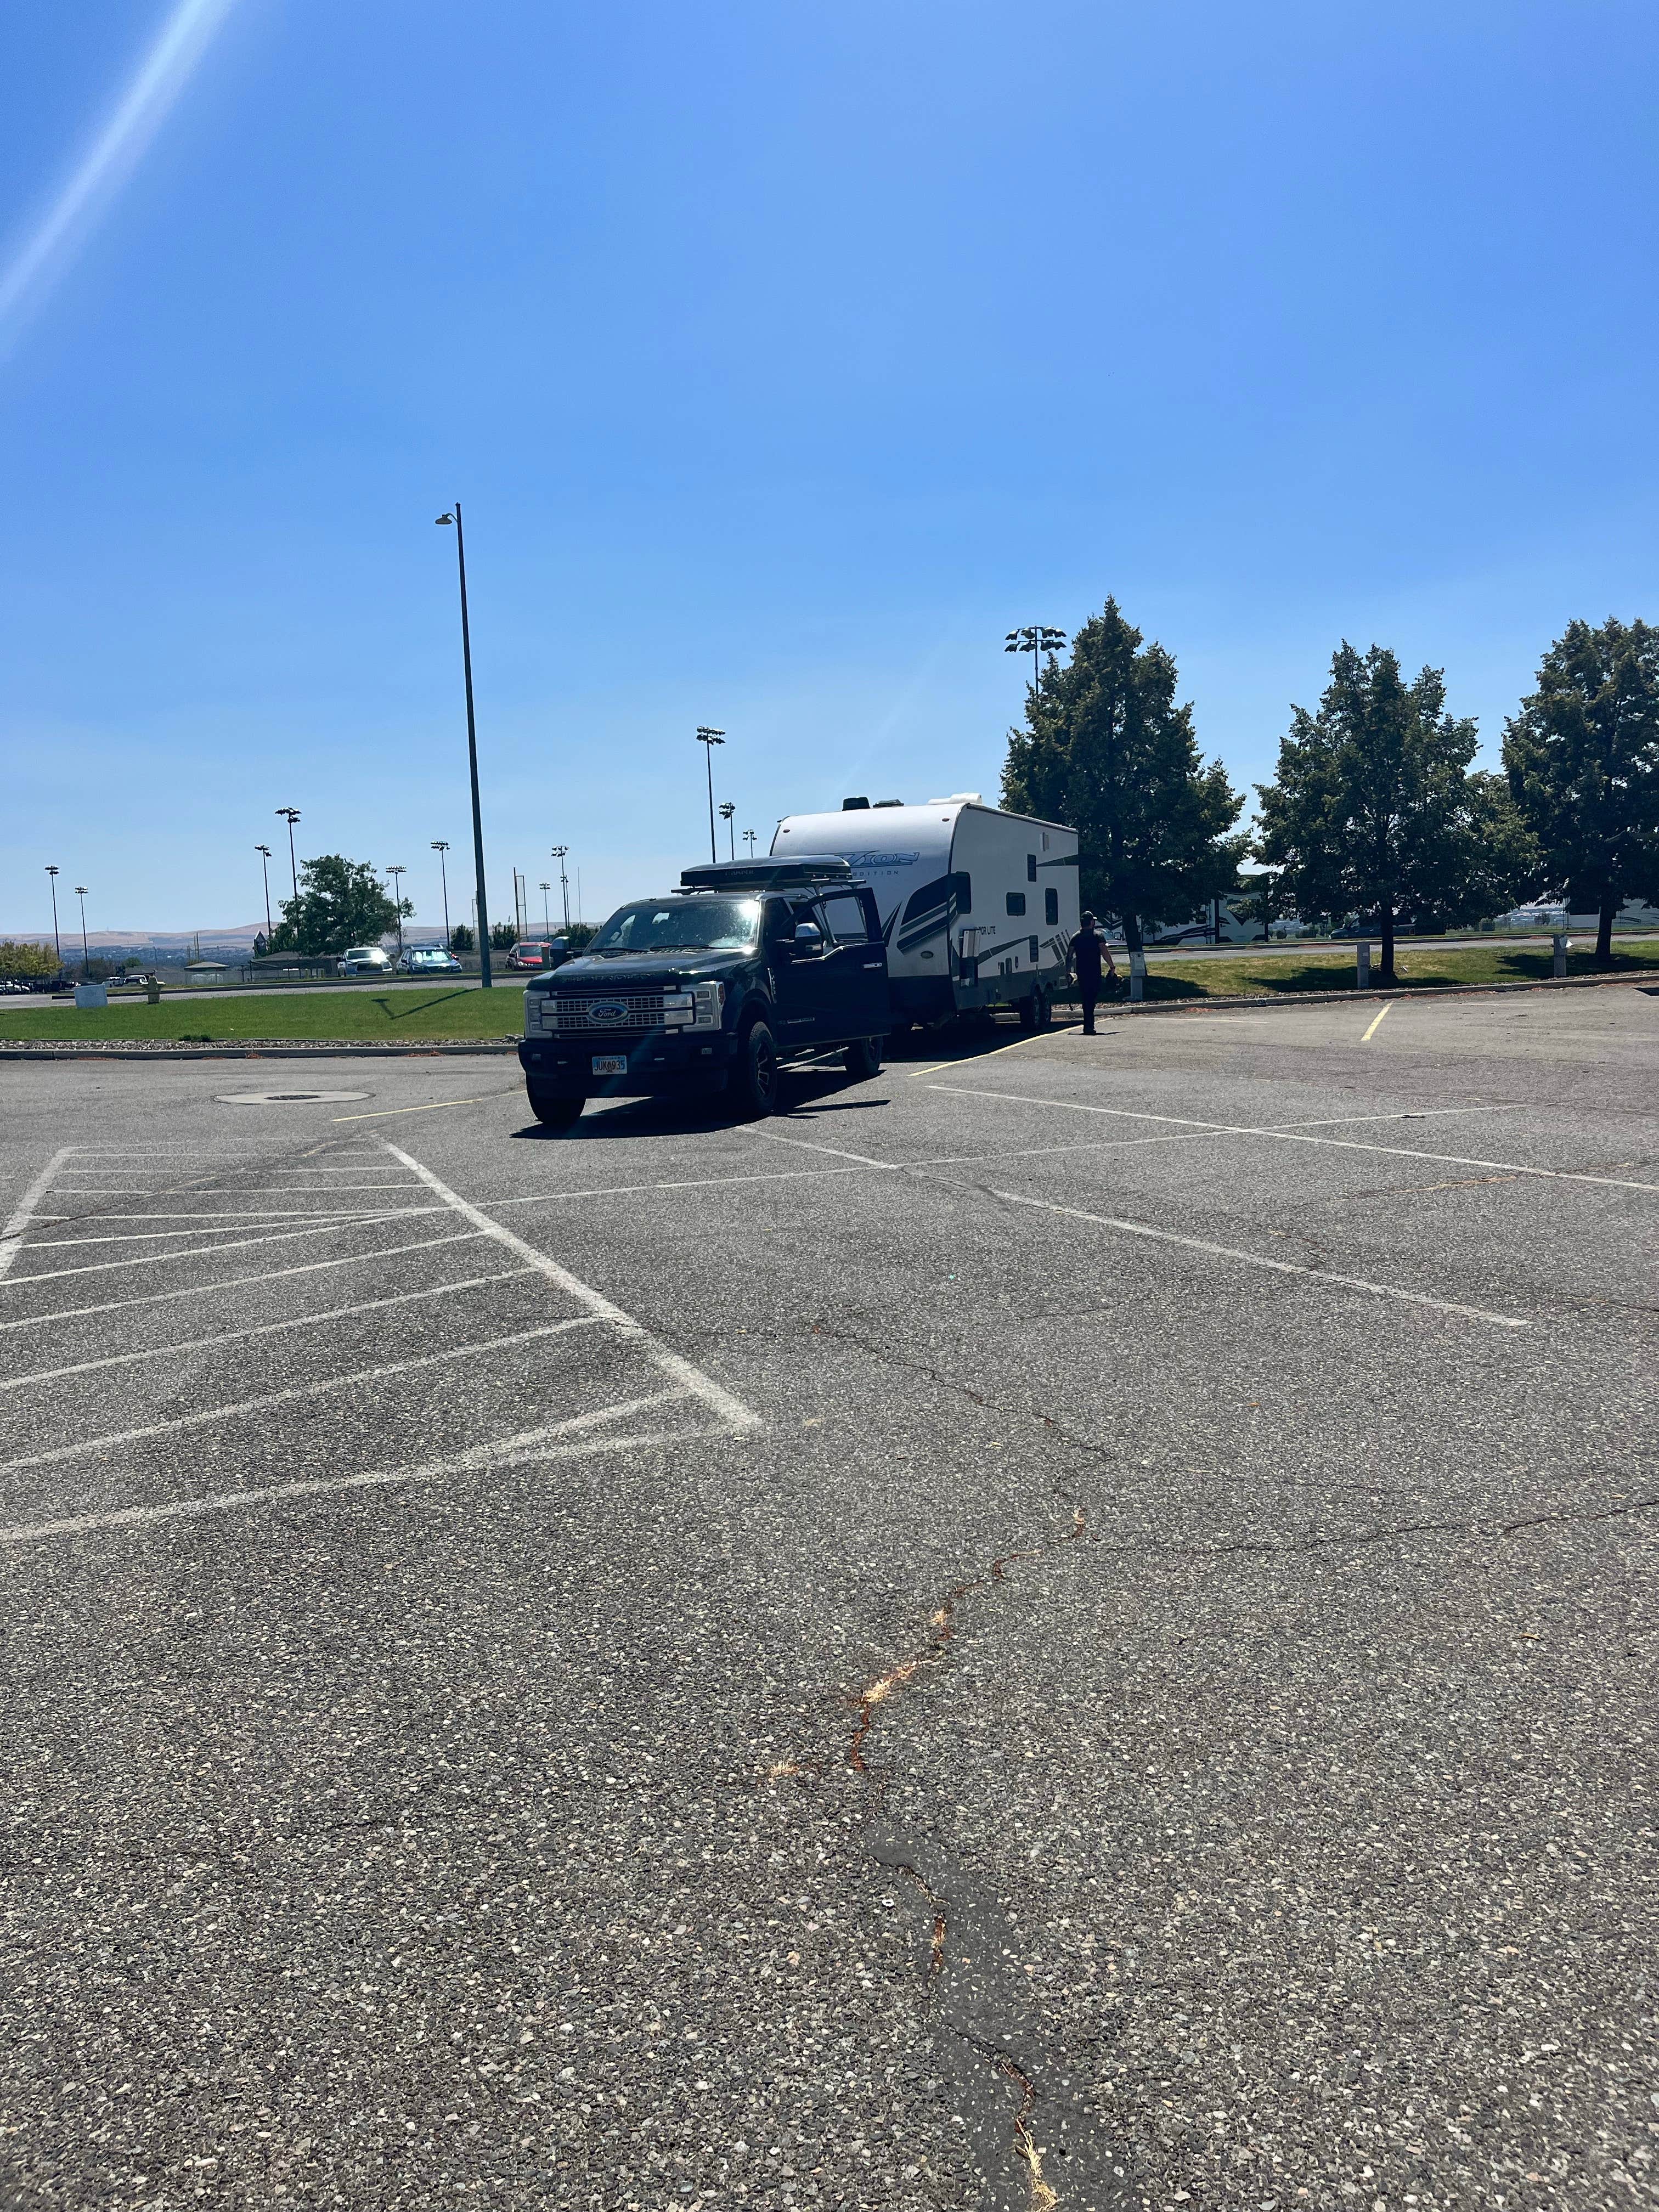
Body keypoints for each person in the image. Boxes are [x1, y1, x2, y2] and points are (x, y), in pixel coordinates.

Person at [1071, 911, 1117, 1034]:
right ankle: (1089, 1026)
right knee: (1092, 997)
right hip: (1094, 972)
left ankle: (1088, 1024)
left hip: (1081, 972)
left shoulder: (1076, 937)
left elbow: (1069, 955)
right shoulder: (1098, 936)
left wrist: (1067, 971)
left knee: (1087, 998)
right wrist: (1112, 967)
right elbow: (1104, 952)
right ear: (1092, 922)